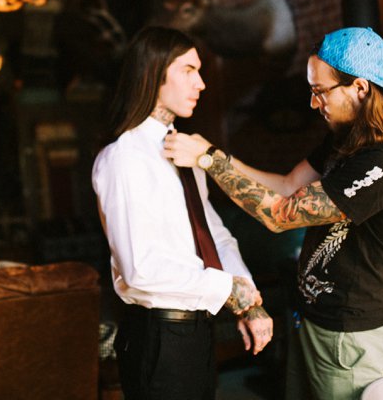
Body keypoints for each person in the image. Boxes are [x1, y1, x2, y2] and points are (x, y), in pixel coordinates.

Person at [165, 27, 383, 400]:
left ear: (360, 88)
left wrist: (208, 161)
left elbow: (280, 213)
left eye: (320, 91)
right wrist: (215, 154)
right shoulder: (352, 138)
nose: (313, 103)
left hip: (348, 338)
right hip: (315, 321)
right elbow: (289, 184)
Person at [93, 27, 272, 400]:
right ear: (155, 74)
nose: (201, 83)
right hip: (158, 338)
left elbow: (213, 234)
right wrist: (228, 290)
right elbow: (140, 268)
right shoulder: (124, 158)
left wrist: (248, 300)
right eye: (189, 70)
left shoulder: (185, 151)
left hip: (197, 332)